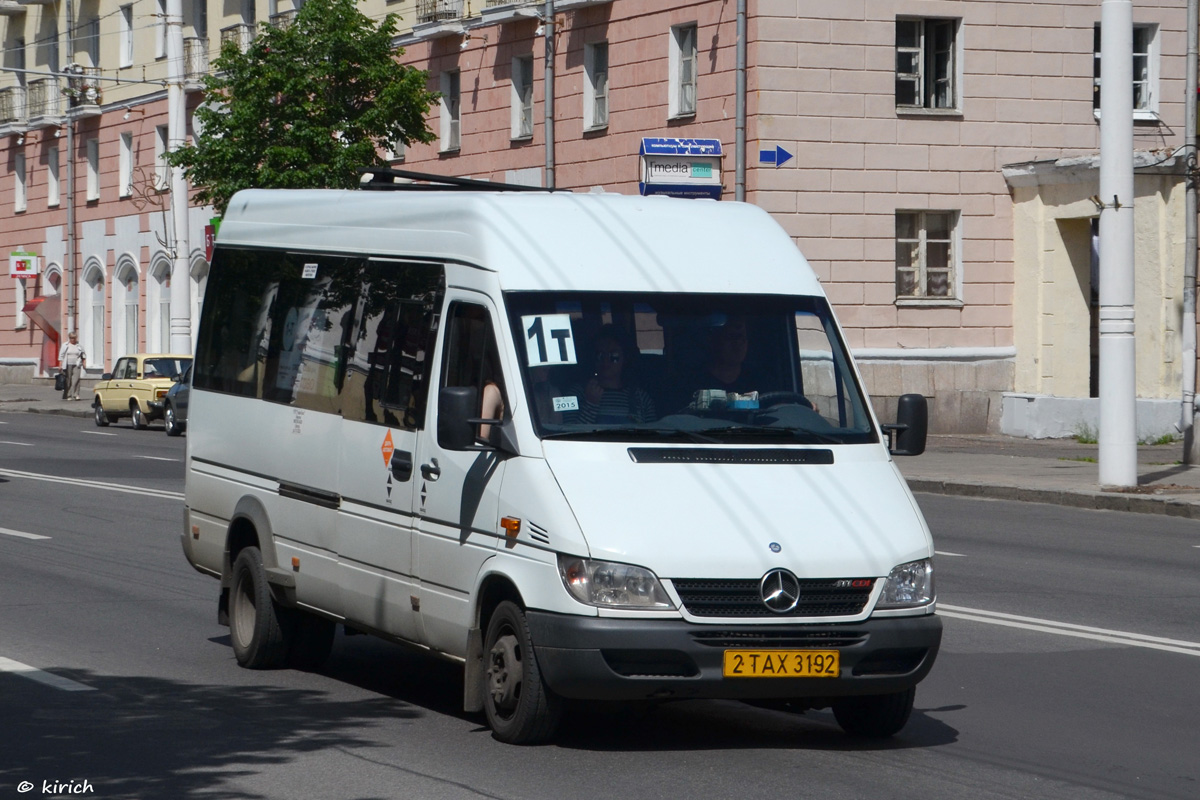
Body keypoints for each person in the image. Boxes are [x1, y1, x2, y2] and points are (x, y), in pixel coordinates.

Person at [569, 325, 655, 425]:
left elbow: (654, 435)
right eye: (600, 355)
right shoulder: (576, 394)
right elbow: (566, 434)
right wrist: (590, 404)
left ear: (625, 358)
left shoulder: (641, 398)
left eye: (614, 356)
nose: (606, 361)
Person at [59, 332, 86, 401]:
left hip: (77, 364)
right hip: (67, 364)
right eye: (71, 338)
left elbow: (83, 355)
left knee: (76, 379)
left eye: (74, 338)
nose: (72, 339)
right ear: (69, 338)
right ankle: (68, 395)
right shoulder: (65, 345)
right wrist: (60, 365)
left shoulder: (79, 345)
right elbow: (61, 356)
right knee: (68, 380)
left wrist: (84, 363)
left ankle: (76, 394)